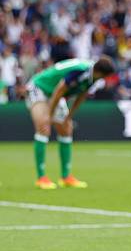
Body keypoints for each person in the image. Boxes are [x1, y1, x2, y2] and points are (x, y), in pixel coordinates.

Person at [26, 56, 116, 189]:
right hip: (40, 87)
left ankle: (65, 177)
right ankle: (41, 177)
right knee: (43, 126)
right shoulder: (81, 71)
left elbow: (82, 95)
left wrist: (69, 116)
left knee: (66, 129)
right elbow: (59, 90)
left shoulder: (92, 75)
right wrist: (49, 116)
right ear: (100, 73)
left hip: (55, 93)